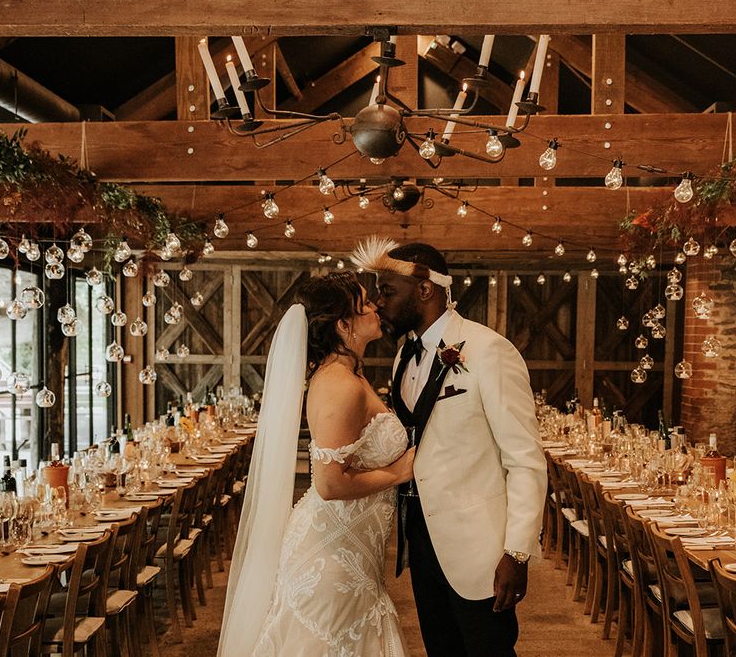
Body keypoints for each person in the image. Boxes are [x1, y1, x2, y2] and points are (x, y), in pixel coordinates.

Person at [352, 237, 547, 657]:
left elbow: (526, 461)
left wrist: (517, 552)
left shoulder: (490, 351)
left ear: (425, 289)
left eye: (387, 291)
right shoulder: (405, 353)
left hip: (479, 547)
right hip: (421, 539)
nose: (379, 303)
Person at [218, 272, 415, 657]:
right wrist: (400, 472)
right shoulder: (337, 384)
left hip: (353, 549)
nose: (376, 305)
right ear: (344, 324)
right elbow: (329, 484)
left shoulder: (352, 375)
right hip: (330, 554)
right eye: (365, 303)